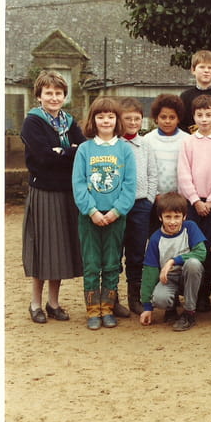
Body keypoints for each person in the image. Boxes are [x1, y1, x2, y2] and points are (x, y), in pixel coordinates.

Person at [21, 70, 85, 324]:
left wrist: (62, 151)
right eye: (48, 93)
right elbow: (43, 157)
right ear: (39, 96)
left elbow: (83, 149)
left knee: (60, 248)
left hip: (67, 192)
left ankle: (54, 303)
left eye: (58, 93)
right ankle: (35, 304)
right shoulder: (32, 122)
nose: (54, 97)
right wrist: (68, 151)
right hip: (44, 192)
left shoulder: (69, 121)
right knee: (43, 248)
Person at [72, 97, 136, 329]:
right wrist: (91, 211)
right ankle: (93, 311)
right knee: (91, 264)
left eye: (110, 116)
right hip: (90, 217)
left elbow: (130, 185)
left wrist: (117, 211)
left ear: (117, 120)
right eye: (101, 117)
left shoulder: (124, 149)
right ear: (93, 120)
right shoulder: (85, 149)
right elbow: (79, 183)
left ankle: (107, 308)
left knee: (111, 263)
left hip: (115, 217)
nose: (106, 121)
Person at [177, 95, 211, 312]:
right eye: (199, 115)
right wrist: (195, 200)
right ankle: (190, 292)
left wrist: (210, 200)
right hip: (192, 204)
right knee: (192, 248)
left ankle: (204, 295)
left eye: (208, 114)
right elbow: (183, 174)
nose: (204, 119)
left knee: (209, 250)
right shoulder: (188, 141)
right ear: (193, 116)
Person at [138, 192, 207, 332]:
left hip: (189, 276)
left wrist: (172, 261)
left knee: (193, 263)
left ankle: (189, 312)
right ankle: (171, 307)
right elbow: (149, 272)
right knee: (159, 299)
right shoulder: (155, 239)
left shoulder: (190, 227)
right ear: (160, 217)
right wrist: (147, 308)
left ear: (184, 216)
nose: (172, 222)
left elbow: (201, 253)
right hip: (169, 279)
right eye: (168, 217)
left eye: (177, 217)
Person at [118, 97, 158, 316]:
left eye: (137, 118)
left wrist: (149, 199)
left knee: (136, 253)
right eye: (128, 119)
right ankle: (112, 298)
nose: (133, 122)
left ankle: (135, 297)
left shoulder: (146, 145)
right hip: (117, 206)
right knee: (115, 252)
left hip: (140, 205)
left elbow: (153, 174)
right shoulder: (114, 144)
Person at [141, 94, 189, 209]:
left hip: (180, 199)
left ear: (178, 119)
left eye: (172, 117)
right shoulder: (148, 139)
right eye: (163, 117)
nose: (167, 121)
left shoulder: (187, 140)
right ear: (156, 118)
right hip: (154, 198)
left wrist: (181, 196)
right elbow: (144, 170)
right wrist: (156, 195)